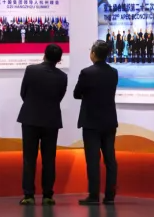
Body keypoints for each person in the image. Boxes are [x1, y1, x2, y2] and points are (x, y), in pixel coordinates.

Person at [17, 44, 68, 206]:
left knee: (29, 159)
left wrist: (33, 105)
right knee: (49, 159)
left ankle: (28, 195)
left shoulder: (31, 70)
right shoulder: (62, 76)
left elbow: (23, 93)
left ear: (44, 55)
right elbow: (59, 97)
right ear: (59, 59)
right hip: (51, 120)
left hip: (30, 119)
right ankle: (47, 195)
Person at [73, 40, 118, 205]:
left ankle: (93, 196)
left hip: (91, 122)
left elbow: (76, 94)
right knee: (110, 159)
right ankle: (110, 196)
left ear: (93, 54)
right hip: (109, 121)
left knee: (93, 160)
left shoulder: (86, 73)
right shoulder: (113, 72)